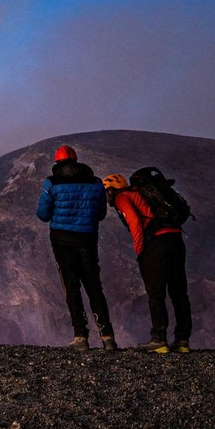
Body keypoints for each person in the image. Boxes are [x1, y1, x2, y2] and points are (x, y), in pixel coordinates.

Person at [36, 145, 117, 351]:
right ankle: (107, 336)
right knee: (94, 286)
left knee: (71, 286)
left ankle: (80, 336)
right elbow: (100, 214)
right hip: (88, 239)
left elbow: (43, 214)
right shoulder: (96, 183)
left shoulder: (52, 183)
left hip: (62, 241)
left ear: (58, 162)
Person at [103, 173, 192, 353]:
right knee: (178, 292)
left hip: (156, 245)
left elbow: (135, 222)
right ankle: (182, 340)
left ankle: (159, 339)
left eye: (107, 192)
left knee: (156, 293)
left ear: (112, 190)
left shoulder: (122, 197)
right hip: (175, 239)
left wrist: (140, 249)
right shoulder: (143, 193)